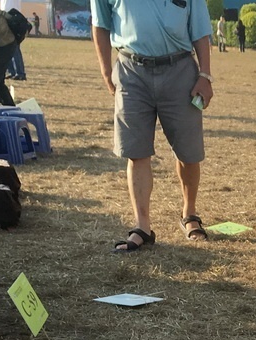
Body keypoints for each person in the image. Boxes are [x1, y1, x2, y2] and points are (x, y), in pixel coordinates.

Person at [91, 0, 213, 252]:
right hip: (130, 70)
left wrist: (205, 75)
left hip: (180, 69)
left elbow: (200, 29)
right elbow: (100, 24)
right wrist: (105, 71)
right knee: (136, 151)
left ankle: (190, 214)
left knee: (189, 152)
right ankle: (142, 226)